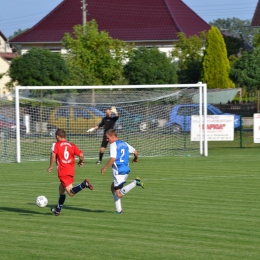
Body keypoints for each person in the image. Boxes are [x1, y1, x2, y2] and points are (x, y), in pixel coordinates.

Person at [47, 128, 94, 216]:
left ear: (57, 136)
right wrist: (80, 162)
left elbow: (53, 155)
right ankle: (57, 210)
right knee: (61, 190)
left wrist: (50, 166)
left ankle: (84, 184)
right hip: (70, 170)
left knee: (71, 193)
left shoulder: (56, 144)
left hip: (63, 172)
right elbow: (81, 155)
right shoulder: (72, 145)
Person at [101, 129, 145, 214]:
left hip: (118, 171)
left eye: (108, 138)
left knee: (119, 194)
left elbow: (113, 158)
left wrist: (105, 167)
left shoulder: (113, 145)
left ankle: (135, 182)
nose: (107, 140)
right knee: (113, 188)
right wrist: (135, 159)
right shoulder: (124, 143)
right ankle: (119, 210)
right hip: (126, 169)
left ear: (113, 137)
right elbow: (136, 152)